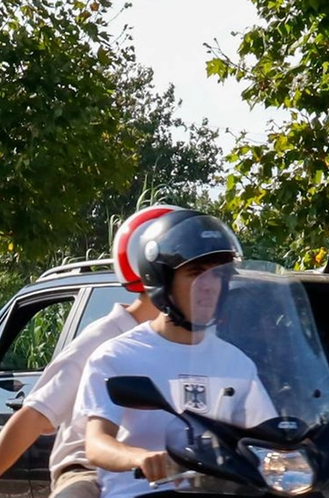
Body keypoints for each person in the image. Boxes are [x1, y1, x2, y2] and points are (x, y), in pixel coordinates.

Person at [0, 205, 183, 498]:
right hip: (90, 470)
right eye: (185, 266)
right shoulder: (105, 339)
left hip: (177, 471)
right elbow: (35, 414)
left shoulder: (200, 343)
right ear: (153, 269)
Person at [77, 211, 276, 498]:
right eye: (196, 274)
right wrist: (140, 457)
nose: (209, 286)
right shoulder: (117, 356)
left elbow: (267, 441)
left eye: (217, 275)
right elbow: (96, 443)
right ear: (162, 282)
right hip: (143, 493)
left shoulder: (236, 362)